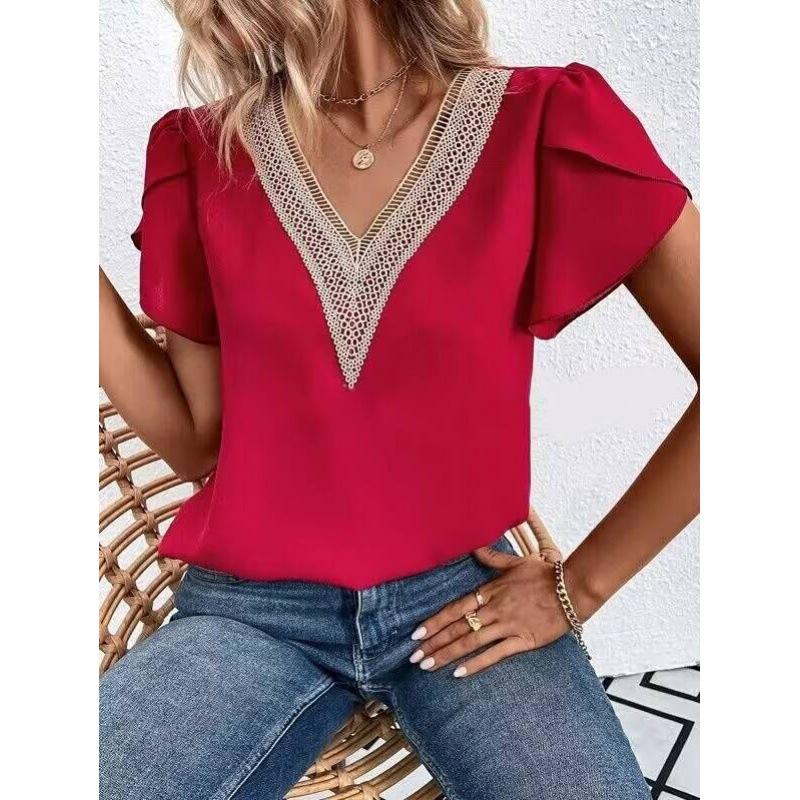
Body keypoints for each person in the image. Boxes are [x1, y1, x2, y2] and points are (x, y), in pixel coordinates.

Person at [99, 1, 699, 798]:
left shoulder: (546, 120)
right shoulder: (202, 151)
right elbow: (198, 441)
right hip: (248, 611)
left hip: (464, 600)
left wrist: (577, 587)